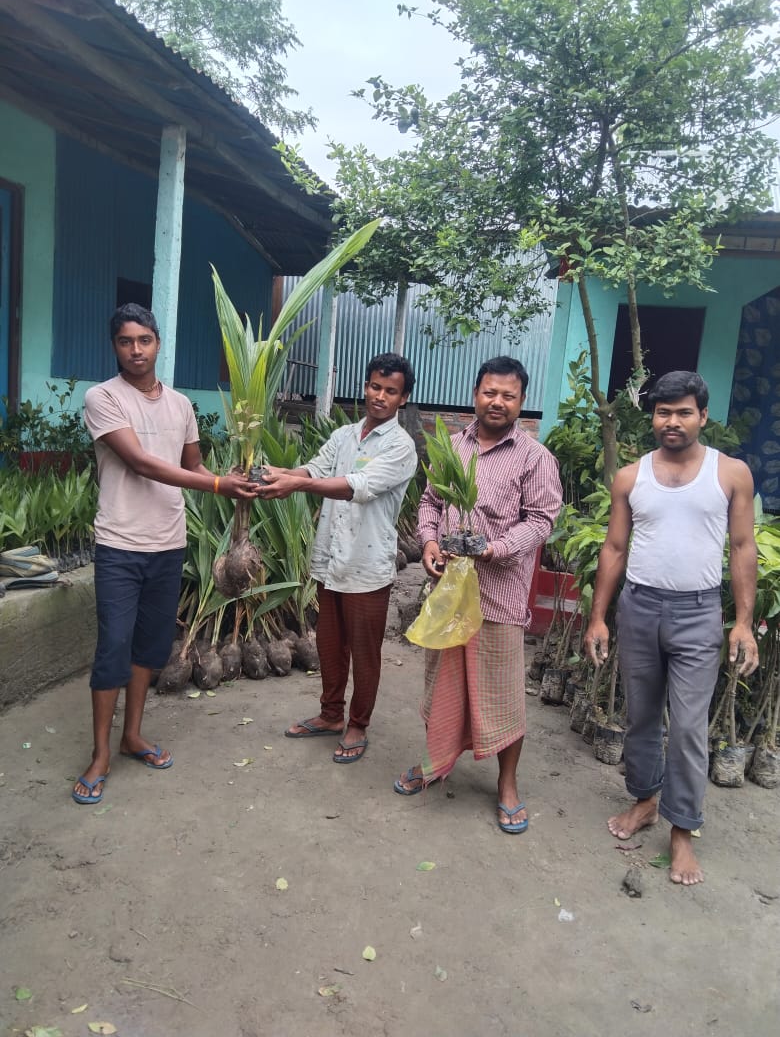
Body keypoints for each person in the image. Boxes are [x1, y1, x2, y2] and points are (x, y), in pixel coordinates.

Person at [72, 303, 261, 804]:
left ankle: (132, 736)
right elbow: (141, 463)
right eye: (125, 341)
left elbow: (193, 467)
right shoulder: (102, 398)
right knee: (113, 647)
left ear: (158, 342)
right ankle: (100, 754)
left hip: (168, 544)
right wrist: (218, 485)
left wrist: (235, 481)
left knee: (150, 648)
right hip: (120, 544)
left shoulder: (180, 405)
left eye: (144, 340)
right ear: (115, 346)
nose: (135, 350)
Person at [583, 370, 758, 885]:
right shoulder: (631, 477)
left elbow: (742, 547)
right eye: (664, 412)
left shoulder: (730, 474)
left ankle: (683, 829)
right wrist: (598, 616)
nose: (673, 421)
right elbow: (615, 548)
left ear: (703, 415)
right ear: (652, 417)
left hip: (698, 613)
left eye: (684, 412)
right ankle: (645, 801)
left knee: (686, 727)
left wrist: (743, 622)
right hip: (639, 607)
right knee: (640, 715)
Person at [394, 356, 563, 834]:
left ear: (522, 402)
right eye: (490, 392)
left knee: (502, 693)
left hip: (499, 596)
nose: (498, 402)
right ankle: (436, 761)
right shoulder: (452, 447)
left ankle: (507, 784)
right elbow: (431, 502)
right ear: (475, 394)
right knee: (441, 683)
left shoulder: (534, 457)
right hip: (450, 592)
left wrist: (496, 548)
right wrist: (429, 542)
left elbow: (541, 521)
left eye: (509, 395)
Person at [258, 353, 417, 763]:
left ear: (403, 398)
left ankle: (358, 723)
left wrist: (294, 486)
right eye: (375, 386)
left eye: (391, 391)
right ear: (365, 386)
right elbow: (315, 469)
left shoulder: (401, 446)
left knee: (364, 651)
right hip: (331, 560)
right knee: (329, 644)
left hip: (367, 565)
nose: (380, 396)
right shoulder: (345, 435)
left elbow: (356, 486)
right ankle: (331, 715)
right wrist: (277, 473)